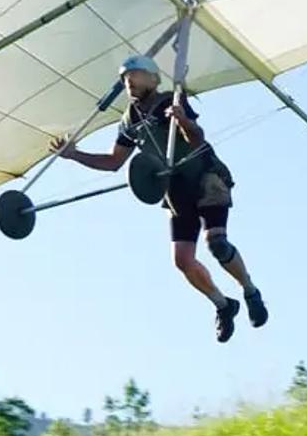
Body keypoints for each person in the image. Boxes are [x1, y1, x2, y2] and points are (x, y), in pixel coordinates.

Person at [48, 53, 268, 343]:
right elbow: (114, 162)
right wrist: (74, 155)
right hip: (175, 190)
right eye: (125, 79)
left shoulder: (170, 100)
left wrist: (182, 120)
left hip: (204, 177)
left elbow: (197, 138)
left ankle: (250, 290)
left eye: (135, 76)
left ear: (153, 78)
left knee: (216, 242)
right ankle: (223, 305)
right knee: (182, 260)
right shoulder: (130, 120)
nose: (129, 82)